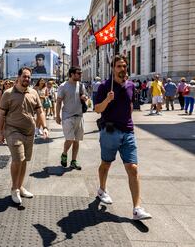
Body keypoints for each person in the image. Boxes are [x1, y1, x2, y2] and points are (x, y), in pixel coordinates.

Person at [94, 55, 152, 221]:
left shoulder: (131, 85)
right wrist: (108, 99)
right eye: (119, 66)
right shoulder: (105, 86)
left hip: (128, 132)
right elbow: (98, 109)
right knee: (106, 164)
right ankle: (102, 190)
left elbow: (130, 105)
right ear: (112, 68)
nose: (122, 69)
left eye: (124, 66)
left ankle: (137, 208)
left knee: (133, 168)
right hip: (110, 131)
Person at [0, 67, 49, 204]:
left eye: (29, 77)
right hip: (12, 131)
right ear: (18, 77)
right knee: (18, 159)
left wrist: (44, 127)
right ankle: (14, 189)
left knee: (24, 160)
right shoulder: (8, 94)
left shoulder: (33, 93)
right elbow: (1, 114)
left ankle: (20, 186)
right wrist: (0, 132)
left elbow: (40, 111)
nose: (27, 79)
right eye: (24, 76)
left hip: (29, 132)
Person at [55, 66, 88, 170]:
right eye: (78, 73)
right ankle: (64, 154)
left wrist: (85, 98)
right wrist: (57, 115)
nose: (80, 75)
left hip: (79, 115)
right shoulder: (63, 86)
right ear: (72, 74)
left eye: (80, 73)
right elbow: (59, 101)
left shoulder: (81, 85)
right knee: (69, 139)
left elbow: (86, 97)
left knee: (77, 140)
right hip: (67, 116)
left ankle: (73, 161)